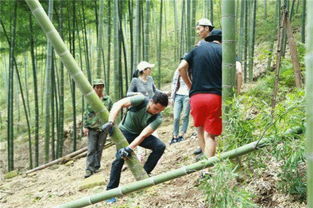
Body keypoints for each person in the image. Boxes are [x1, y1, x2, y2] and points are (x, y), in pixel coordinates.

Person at [103, 92, 168, 203]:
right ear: (151, 101)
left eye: (160, 111)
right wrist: (111, 122)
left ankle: (145, 174)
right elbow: (118, 104)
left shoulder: (158, 118)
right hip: (124, 132)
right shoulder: (141, 100)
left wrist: (129, 148)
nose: (156, 112)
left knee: (160, 147)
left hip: (139, 135)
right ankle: (111, 192)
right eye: (155, 108)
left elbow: (143, 135)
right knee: (119, 159)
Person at [177, 29, 222, 159]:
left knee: (200, 130)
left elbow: (181, 68)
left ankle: (204, 165)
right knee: (210, 135)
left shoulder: (196, 50)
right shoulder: (223, 50)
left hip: (196, 97)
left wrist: (190, 85)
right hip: (214, 96)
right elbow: (238, 71)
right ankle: (208, 168)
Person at [83, 79, 113, 178]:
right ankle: (89, 169)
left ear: (103, 87)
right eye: (97, 87)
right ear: (94, 88)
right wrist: (85, 126)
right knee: (91, 148)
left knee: (100, 148)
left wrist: (112, 124)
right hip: (92, 127)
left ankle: (96, 166)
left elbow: (112, 112)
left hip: (104, 127)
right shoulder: (90, 99)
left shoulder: (107, 99)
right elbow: (86, 113)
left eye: (101, 87)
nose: (99, 89)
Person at [170, 55, 190, 144]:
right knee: (176, 117)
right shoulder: (177, 71)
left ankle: (182, 134)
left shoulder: (191, 71)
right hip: (178, 95)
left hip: (188, 95)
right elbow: (174, 84)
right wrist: (172, 97)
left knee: (185, 115)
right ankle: (174, 135)